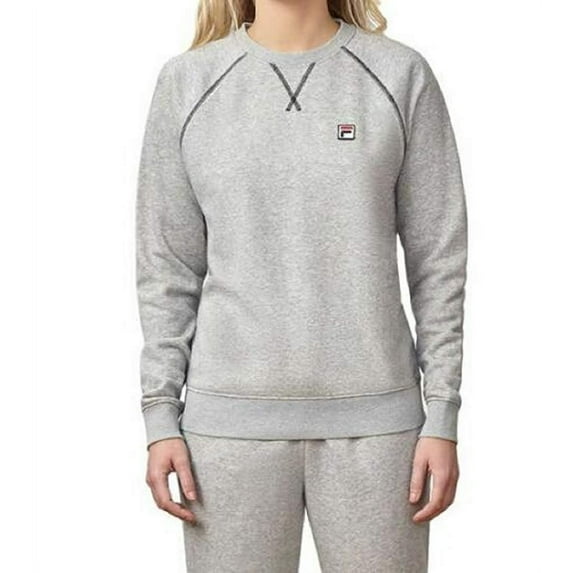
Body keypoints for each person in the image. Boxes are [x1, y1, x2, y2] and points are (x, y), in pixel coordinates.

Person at [135, 0, 468, 570]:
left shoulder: (399, 74)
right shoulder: (187, 82)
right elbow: (166, 267)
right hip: (226, 434)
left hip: (381, 430)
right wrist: (160, 415)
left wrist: (443, 414)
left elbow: (439, 258)